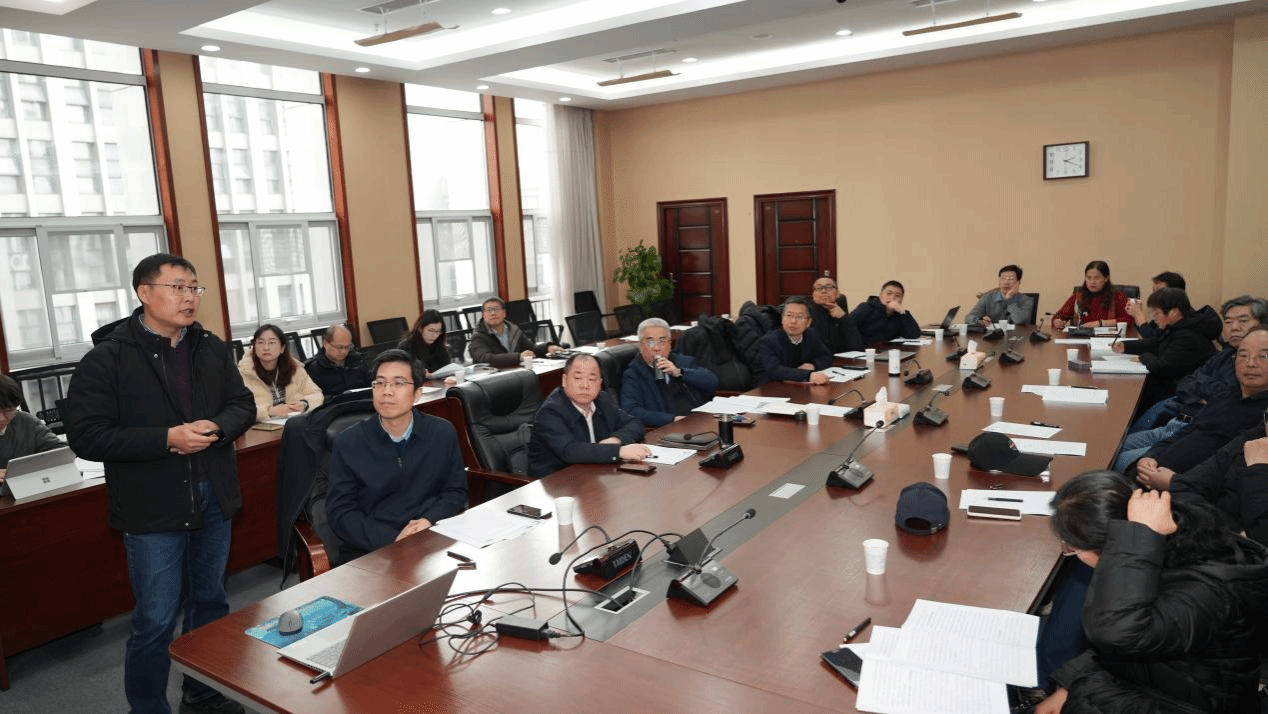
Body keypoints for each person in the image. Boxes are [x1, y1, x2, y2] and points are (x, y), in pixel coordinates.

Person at [64, 253, 255, 714]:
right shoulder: (108, 358)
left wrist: (219, 427)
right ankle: (148, 707)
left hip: (213, 497)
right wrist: (166, 439)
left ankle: (203, 692)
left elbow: (243, 404)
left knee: (210, 603)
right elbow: (86, 436)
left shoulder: (210, 348)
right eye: (177, 287)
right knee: (155, 619)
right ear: (144, 293)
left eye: (194, 288)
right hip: (152, 508)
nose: (189, 297)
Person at [1036, 473, 1268, 714]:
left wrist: (1137, 537)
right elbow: (1121, 647)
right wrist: (1070, 682)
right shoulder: (1169, 549)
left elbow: (1117, 633)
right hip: (1161, 683)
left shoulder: (1203, 590)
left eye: (1071, 547)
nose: (1070, 552)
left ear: (1114, 546)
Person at [324, 349, 467, 562]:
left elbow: (455, 491)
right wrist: (392, 538)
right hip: (372, 549)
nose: (387, 391)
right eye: (380, 383)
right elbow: (340, 513)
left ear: (417, 393)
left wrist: (428, 520)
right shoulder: (349, 442)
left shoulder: (441, 432)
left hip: (429, 538)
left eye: (398, 383)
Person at [1116, 326, 1268, 474]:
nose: (1251, 363)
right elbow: (1187, 426)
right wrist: (1151, 456)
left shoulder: (1262, 417)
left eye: (1263, 356)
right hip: (1170, 443)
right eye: (1243, 355)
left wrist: (1173, 483)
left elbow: (1223, 467)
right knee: (1113, 447)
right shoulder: (1227, 394)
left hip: (1177, 480)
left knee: (1116, 461)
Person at [1127, 295, 1266, 435]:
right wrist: (1203, 391)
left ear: (1262, 324)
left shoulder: (1256, 363)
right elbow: (1185, 383)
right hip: (1179, 418)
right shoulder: (1225, 354)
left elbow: (1228, 397)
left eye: (1243, 321)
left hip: (1201, 428)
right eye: (1228, 322)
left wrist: (1200, 387)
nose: (1234, 328)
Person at [528, 353, 647, 478]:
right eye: (578, 378)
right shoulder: (550, 411)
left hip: (593, 473)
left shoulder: (602, 400)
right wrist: (618, 451)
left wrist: (615, 440)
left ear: (600, 383)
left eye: (592, 379)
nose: (585, 385)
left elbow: (635, 423)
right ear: (564, 380)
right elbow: (569, 450)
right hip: (555, 480)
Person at [1111, 288, 1220, 409]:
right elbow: (1157, 343)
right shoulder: (1178, 326)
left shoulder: (1188, 335)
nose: (1154, 318)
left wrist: (1143, 357)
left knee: (1131, 394)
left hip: (1183, 393)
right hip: (1174, 384)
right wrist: (1126, 346)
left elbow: (1162, 367)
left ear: (1174, 312)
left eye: (1157, 313)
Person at [620, 317, 719, 427]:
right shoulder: (633, 374)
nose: (656, 348)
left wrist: (680, 372)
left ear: (669, 344)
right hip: (669, 428)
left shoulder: (684, 362)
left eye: (662, 341)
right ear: (641, 346)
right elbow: (631, 410)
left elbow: (712, 382)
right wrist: (672, 419)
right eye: (650, 342)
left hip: (699, 420)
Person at [238, 324, 324, 423]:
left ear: (282, 348)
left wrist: (304, 404)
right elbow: (239, 409)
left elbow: (317, 394)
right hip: (260, 427)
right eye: (260, 342)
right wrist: (269, 411)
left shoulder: (295, 368)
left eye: (272, 342)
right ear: (254, 347)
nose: (266, 347)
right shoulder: (244, 373)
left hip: (294, 423)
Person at [0, 374, 64, 487]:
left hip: (28, 488)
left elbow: (60, 452)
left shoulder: (26, 421)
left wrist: (24, 470)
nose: (1, 418)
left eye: (8, 410)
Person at [755, 297, 833, 386]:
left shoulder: (810, 335)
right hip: (772, 388)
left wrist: (813, 365)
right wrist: (808, 375)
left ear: (808, 322)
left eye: (799, 317)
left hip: (800, 387)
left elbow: (826, 355)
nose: (793, 321)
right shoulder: (769, 341)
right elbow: (774, 370)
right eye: (789, 316)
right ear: (782, 319)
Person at [469, 296, 561, 367]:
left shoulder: (513, 329)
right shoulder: (479, 335)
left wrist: (547, 347)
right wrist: (518, 357)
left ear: (504, 313)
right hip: (489, 378)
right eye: (489, 310)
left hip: (513, 372)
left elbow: (531, 348)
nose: (493, 313)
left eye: (496, 309)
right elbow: (485, 358)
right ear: (483, 315)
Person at [1050, 260, 1130, 331]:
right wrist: (1057, 322)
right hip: (1081, 339)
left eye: (1096, 278)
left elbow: (1127, 320)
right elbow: (1058, 317)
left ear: (1106, 278)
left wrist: (1100, 323)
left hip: (1109, 339)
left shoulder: (1118, 296)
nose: (1092, 282)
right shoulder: (1078, 296)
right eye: (1089, 278)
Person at [303, 323, 370, 398]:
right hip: (334, 404)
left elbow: (370, 386)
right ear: (325, 343)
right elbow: (313, 397)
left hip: (362, 402)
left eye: (348, 347)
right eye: (339, 347)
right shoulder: (312, 369)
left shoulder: (358, 360)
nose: (343, 351)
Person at [850, 280, 921, 344]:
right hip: (865, 350)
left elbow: (914, 335)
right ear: (881, 295)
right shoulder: (866, 308)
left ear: (901, 300)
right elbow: (848, 328)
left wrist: (903, 312)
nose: (892, 297)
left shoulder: (901, 314)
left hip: (889, 351)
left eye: (897, 296)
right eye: (889, 293)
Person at [965, 264, 1034, 327]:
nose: (1006, 282)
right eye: (1003, 278)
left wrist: (1009, 299)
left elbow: (1019, 320)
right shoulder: (988, 298)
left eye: (1011, 279)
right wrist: (979, 321)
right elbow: (969, 317)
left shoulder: (1026, 300)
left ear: (1018, 283)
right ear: (999, 281)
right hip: (993, 336)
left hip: (1017, 335)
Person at [807, 276, 862, 353]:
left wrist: (844, 318)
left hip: (842, 358)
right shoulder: (806, 314)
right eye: (818, 288)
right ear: (813, 295)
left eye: (828, 287)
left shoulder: (842, 313)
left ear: (837, 293)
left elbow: (856, 347)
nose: (823, 291)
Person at [1126, 271, 1187, 338]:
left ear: (1174, 292)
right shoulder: (1163, 310)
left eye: (1158, 291)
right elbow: (1149, 331)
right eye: (1154, 291)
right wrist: (1135, 315)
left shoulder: (1184, 317)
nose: (1154, 295)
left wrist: (1139, 315)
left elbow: (1154, 340)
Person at [397, 309, 453, 377]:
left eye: (438, 331)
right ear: (420, 328)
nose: (434, 335)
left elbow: (446, 367)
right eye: (430, 331)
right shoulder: (406, 347)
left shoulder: (439, 345)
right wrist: (420, 374)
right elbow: (402, 372)